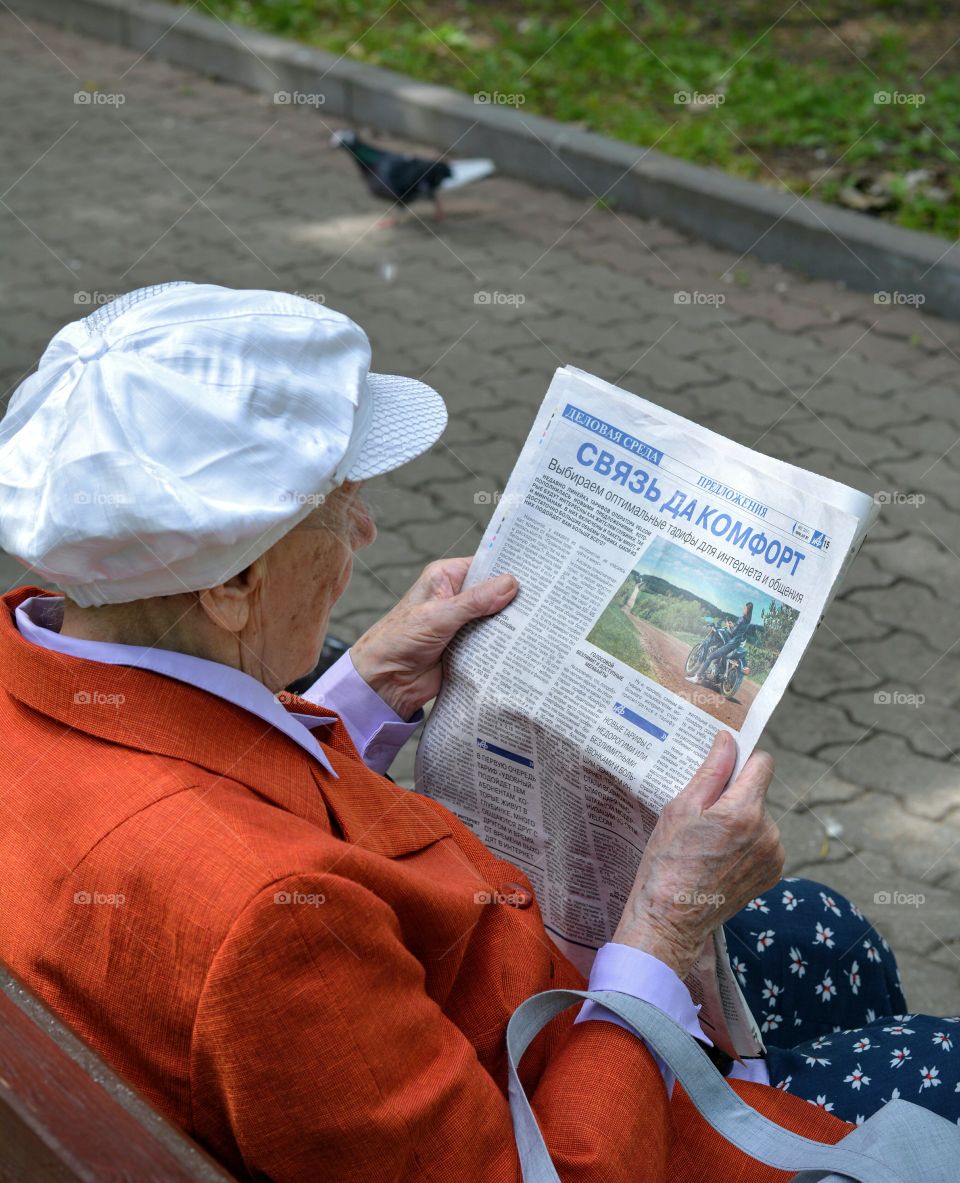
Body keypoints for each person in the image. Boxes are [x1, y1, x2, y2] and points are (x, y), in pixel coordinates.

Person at [0, 283, 955, 1183]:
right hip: (570, 1103)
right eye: (338, 503)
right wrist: (660, 926)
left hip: (483, 1014)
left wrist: (361, 692)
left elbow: (199, 766)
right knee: (934, 1065)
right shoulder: (271, 928)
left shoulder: (49, 664)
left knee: (825, 933)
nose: (367, 529)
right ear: (233, 587)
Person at [689, 600, 753, 684]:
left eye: (745, 608)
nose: (743, 609)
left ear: (747, 610)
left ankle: (697, 677)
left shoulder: (741, 619)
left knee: (710, 657)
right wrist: (733, 625)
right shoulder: (747, 621)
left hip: (731, 643)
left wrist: (728, 626)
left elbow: (733, 633)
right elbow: (739, 630)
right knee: (719, 655)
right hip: (737, 643)